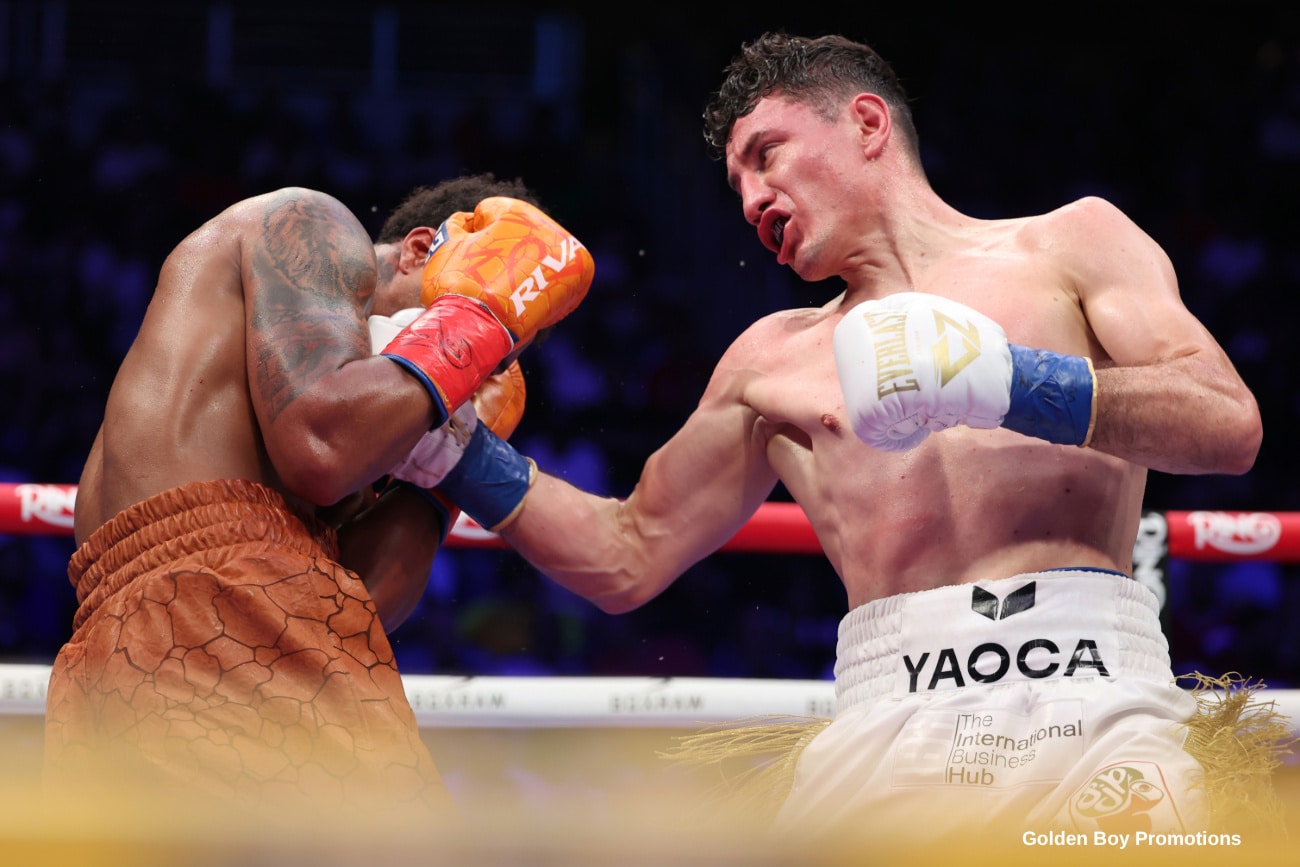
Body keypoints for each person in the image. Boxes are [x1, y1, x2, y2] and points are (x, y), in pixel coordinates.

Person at [406, 34, 1288, 840]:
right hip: (887, 726)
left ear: (866, 123)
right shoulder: (768, 361)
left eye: (766, 155)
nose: (751, 197)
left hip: (1102, 699)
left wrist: (1012, 383)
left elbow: (1225, 421)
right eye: (737, 184)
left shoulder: (1070, 245)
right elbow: (628, 553)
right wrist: (451, 449)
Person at [43, 173, 593, 820]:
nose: (466, 379)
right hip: (220, 631)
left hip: (134, 671)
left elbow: (357, 605)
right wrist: (472, 326)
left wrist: (438, 478)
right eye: (459, 319)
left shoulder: (330, 417)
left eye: (491, 365)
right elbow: (323, 450)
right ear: (418, 249)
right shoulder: (312, 223)